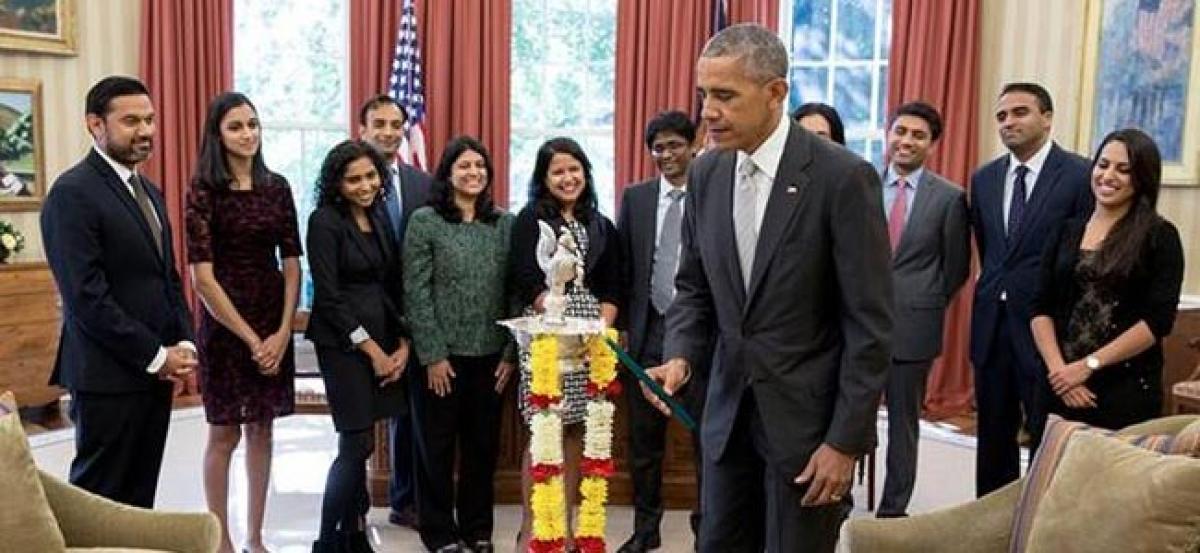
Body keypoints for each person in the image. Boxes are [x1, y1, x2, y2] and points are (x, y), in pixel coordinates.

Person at [644, 24, 893, 552]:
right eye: (704, 94)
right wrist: (680, 356)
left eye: (725, 95)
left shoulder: (843, 178)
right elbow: (693, 288)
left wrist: (845, 442)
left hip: (808, 434)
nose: (707, 111)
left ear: (776, 92)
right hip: (726, 422)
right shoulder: (706, 174)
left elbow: (868, 326)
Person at [41, 76, 198, 508]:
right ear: (95, 125)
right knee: (101, 503)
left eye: (149, 119)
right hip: (106, 377)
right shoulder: (72, 193)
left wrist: (183, 341)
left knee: (139, 501)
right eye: (131, 121)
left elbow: (167, 277)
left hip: (154, 374)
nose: (146, 131)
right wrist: (155, 353)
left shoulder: (149, 191)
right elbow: (85, 298)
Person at [186, 91, 303, 553]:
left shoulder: (277, 186)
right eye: (236, 126)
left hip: (273, 317)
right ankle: (222, 539)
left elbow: (293, 263)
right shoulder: (202, 190)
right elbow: (202, 278)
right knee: (224, 431)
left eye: (253, 124)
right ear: (217, 134)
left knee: (263, 427)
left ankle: (255, 536)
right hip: (225, 324)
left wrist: (281, 331)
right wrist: (253, 339)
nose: (248, 133)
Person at [969, 82, 1092, 497]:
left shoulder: (1078, 175)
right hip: (991, 327)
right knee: (992, 441)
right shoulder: (984, 179)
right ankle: (992, 522)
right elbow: (991, 251)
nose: (1008, 122)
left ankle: (1040, 523)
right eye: (1001, 116)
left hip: (1047, 331)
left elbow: (1083, 260)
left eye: (1020, 112)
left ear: (1047, 117)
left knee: (1047, 440)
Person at [403, 136, 516, 553]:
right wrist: (432, 355)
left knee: (481, 449)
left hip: (490, 357)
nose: (474, 173)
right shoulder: (426, 221)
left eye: (480, 166)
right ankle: (438, 531)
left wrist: (509, 353)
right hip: (440, 359)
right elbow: (415, 292)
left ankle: (477, 530)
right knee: (434, 447)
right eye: (465, 166)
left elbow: (515, 292)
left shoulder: (504, 223)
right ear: (448, 173)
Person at [510, 136, 622, 550]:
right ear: (544, 178)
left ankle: (570, 528)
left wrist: (596, 328)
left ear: (585, 174)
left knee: (577, 431)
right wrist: (561, 320)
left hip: (590, 342)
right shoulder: (528, 221)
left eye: (574, 169)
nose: (567, 177)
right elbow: (524, 278)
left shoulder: (601, 224)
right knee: (543, 429)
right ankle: (534, 526)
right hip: (546, 339)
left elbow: (613, 287)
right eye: (557, 171)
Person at [1031, 128, 1183, 430]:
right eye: (1103, 164)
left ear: (1142, 178)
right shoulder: (1065, 230)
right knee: (1050, 475)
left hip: (1122, 391)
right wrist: (1062, 373)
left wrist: (1088, 366)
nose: (1108, 176)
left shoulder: (1160, 236)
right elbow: (1039, 307)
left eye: (1123, 169)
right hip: (1058, 385)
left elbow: (1157, 322)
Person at [305, 140, 410, 553]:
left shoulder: (379, 216)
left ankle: (353, 534)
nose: (365, 185)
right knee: (355, 442)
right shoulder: (324, 221)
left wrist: (402, 342)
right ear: (337, 183)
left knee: (364, 442)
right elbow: (328, 298)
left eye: (370, 176)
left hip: (384, 336)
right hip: (342, 343)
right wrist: (373, 352)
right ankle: (327, 541)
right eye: (354, 179)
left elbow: (390, 284)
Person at [615, 110, 705, 552]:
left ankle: (705, 528)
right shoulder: (636, 198)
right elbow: (626, 265)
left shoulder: (713, 191)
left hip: (700, 337)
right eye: (658, 147)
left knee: (706, 438)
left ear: (692, 145)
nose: (666, 154)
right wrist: (628, 327)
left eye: (675, 145)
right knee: (644, 443)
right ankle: (645, 529)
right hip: (647, 330)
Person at [875, 101, 970, 518]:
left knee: (903, 426)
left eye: (918, 135)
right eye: (900, 131)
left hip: (914, 328)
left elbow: (956, 269)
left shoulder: (950, 198)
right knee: (846, 417)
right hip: (855, 325)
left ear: (932, 144)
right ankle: (834, 501)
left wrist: (922, 301)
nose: (906, 141)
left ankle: (893, 510)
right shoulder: (859, 184)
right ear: (887, 134)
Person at [358, 93, 432, 530]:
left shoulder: (423, 184)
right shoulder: (349, 179)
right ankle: (353, 507)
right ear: (363, 130)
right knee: (360, 419)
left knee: (409, 414)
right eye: (379, 124)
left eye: (395, 124)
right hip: (363, 316)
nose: (388, 132)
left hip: (410, 315)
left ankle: (406, 500)